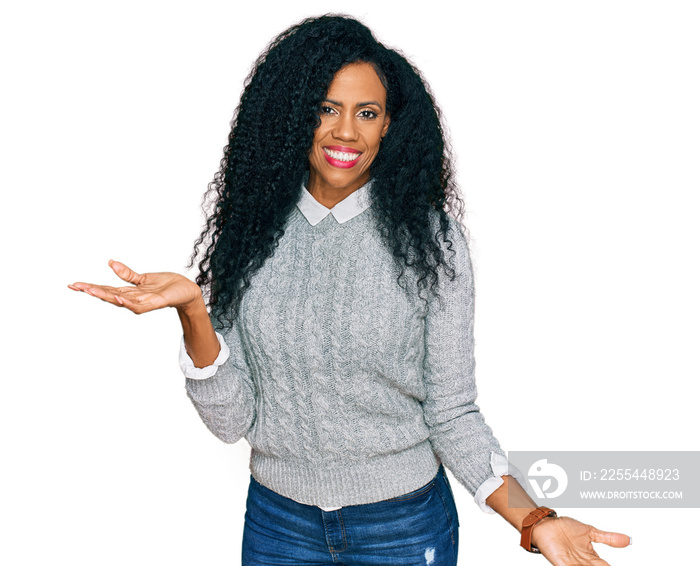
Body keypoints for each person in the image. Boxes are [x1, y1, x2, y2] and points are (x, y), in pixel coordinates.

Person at [69, 14, 631, 566]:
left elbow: (453, 412)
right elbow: (231, 422)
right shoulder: (253, 227)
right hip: (278, 525)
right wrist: (193, 310)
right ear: (295, 116)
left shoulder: (431, 239)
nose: (345, 132)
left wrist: (536, 522)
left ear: (388, 124)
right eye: (326, 109)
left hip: (403, 527)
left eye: (367, 113)